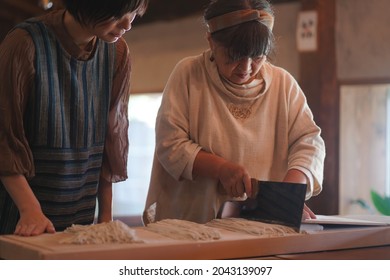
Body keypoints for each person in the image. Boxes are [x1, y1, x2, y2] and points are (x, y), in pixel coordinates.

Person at [143, 0, 325, 225]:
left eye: (258, 56)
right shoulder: (189, 75)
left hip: (262, 222)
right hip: (193, 222)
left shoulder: (283, 85)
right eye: (234, 56)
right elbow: (170, 143)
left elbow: (309, 142)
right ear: (211, 41)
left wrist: (288, 193)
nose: (246, 68)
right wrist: (220, 169)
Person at [0, 0, 149, 236]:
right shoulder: (25, 42)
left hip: (80, 219)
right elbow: (5, 138)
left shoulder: (117, 52)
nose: (127, 24)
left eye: (133, 14)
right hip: (20, 218)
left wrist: (106, 216)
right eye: (118, 13)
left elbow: (111, 138)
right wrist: (30, 209)